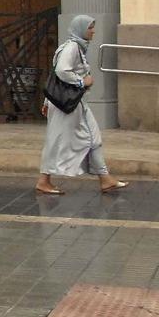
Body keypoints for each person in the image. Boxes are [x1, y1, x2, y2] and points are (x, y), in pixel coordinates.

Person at [36, 15, 128, 195]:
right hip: (67, 104)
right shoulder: (72, 47)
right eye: (90, 28)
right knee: (68, 139)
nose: (93, 31)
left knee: (90, 137)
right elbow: (62, 71)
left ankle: (104, 178)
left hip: (69, 103)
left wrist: (48, 101)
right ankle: (44, 180)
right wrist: (81, 82)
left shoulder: (73, 47)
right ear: (80, 29)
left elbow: (55, 74)